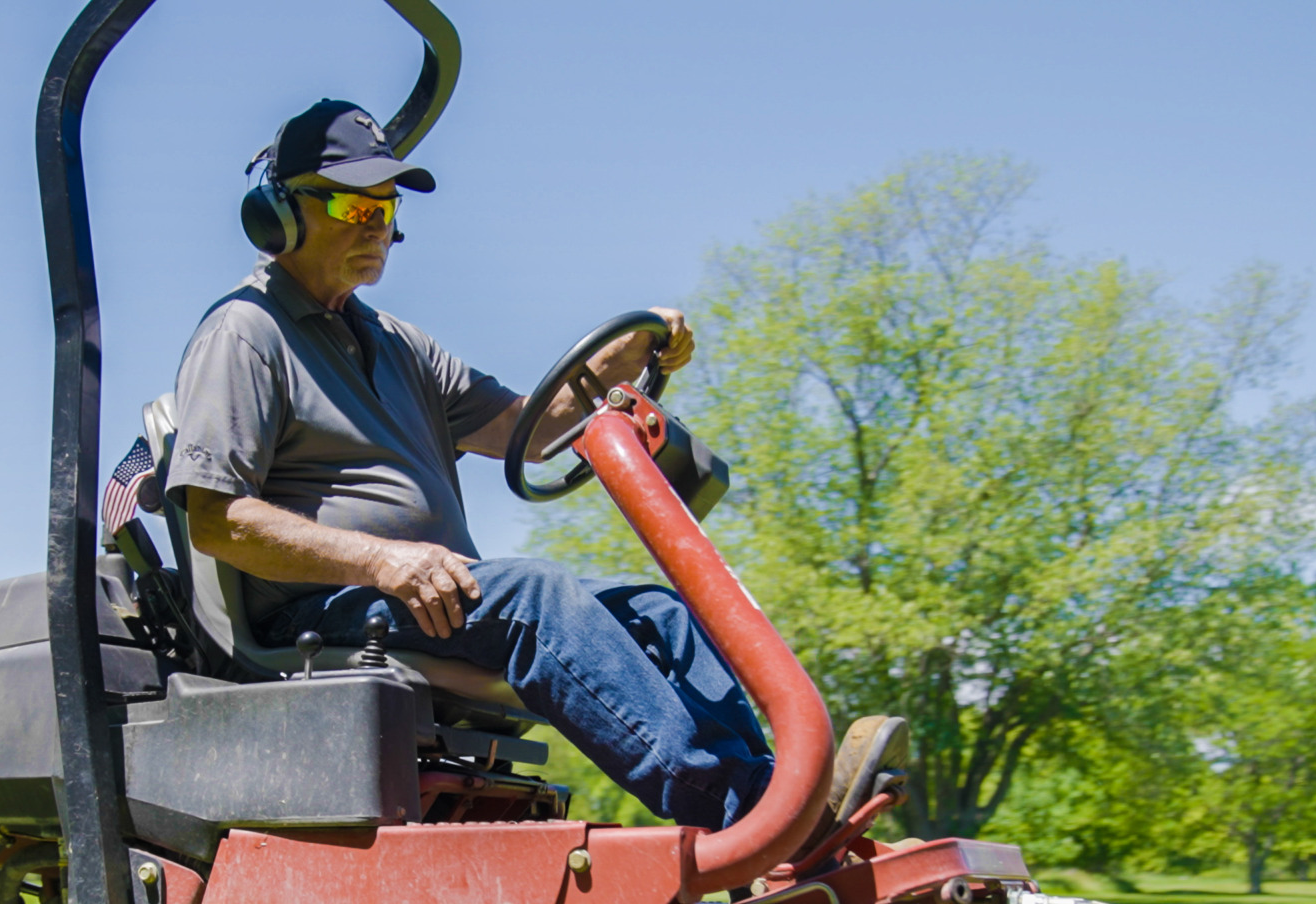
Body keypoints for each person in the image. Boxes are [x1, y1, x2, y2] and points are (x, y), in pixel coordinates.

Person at [163, 99, 896, 833]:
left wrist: (623, 360)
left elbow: (532, 430)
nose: (377, 227)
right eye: (355, 206)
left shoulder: (399, 344)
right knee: (535, 594)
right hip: (323, 610)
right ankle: (755, 818)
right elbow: (217, 521)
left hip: (436, 593)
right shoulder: (246, 333)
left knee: (655, 611)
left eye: (385, 208)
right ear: (280, 215)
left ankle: (778, 795)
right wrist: (385, 562)